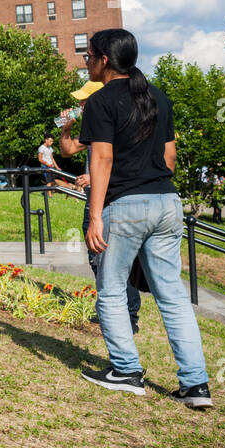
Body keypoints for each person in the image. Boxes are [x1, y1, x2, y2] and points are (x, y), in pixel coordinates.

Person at [79, 28, 212, 410]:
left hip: (125, 205)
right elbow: (169, 159)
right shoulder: (159, 97)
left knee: (111, 290)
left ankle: (126, 371)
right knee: (173, 296)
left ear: (104, 60)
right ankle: (196, 385)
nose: (86, 62)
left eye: (89, 56)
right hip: (167, 203)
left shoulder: (101, 101)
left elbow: (102, 159)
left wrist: (95, 216)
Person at [59, 80, 145, 334]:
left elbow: (124, 162)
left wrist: (93, 177)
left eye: (84, 101)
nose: (80, 105)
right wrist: (66, 129)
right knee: (97, 258)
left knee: (114, 259)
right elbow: (67, 150)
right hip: (95, 202)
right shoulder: (96, 124)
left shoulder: (117, 124)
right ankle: (114, 309)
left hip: (114, 202)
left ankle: (128, 315)